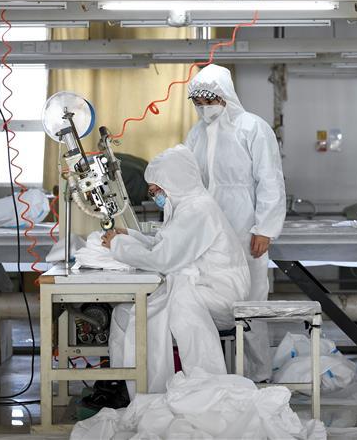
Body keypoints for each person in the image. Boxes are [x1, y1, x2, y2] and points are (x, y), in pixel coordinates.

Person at [98, 145, 250, 401]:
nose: (155, 195)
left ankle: (159, 390)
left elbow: (164, 259)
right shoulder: (186, 205)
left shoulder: (197, 210)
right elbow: (166, 243)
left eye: (157, 189)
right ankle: (126, 383)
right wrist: (131, 236)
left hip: (216, 292)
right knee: (124, 313)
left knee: (150, 316)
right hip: (200, 286)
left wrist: (118, 246)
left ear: (175, 182)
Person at [184, 64, 286, 381]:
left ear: (225, 95)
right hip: (208, 233)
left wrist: (265, 229)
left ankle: (257, 371)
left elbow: (270, 179)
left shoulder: (252, 128)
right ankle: (214, 371)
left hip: (244, 229)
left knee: (251, 300)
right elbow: (188, 178)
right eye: (198, 103)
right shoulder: (197, 134)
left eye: (209, 101)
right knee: (208, 298)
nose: (205, 108)